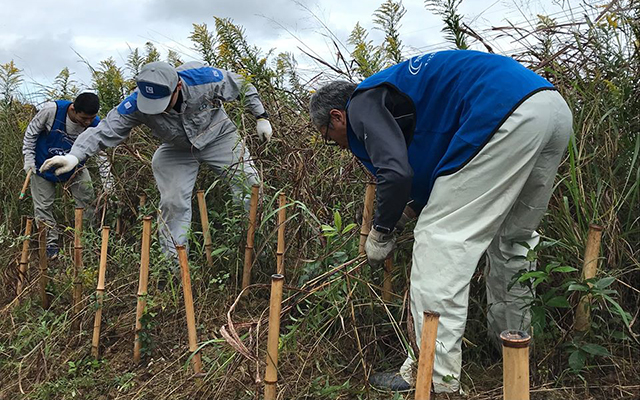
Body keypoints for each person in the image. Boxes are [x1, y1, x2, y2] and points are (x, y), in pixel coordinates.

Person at [309, 50, 572, 393]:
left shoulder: (362, 102)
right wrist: (408, 211)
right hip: (548, 107)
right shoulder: (401, 97)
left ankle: (433, 376)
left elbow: (395, 172)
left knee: (439, 241)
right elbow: (439, 174)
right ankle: (511, 344)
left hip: (500, 111)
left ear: (336, 116)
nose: (340, 145)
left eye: (331, 138)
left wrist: (381, 231)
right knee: (513, 238)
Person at [41, 61, 272, 263]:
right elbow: (105, 129)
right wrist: (75, 155)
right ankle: (175, 266)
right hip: (177, 148)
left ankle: (258, 253)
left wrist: (261, 117)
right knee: (173, 203)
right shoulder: (137, 102)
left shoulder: (203, 78)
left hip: (220, 136)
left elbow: (242, 84)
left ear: (177, 87)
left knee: (250, 187)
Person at [22, 92, 113, 259]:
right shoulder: (52, 111)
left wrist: (107, 180)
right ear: (73, 109)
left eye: (91, 118)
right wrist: (28, 159)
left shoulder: (94, 124)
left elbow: (100, 153)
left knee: (87, 198)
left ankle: (88, 239)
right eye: (84, 118)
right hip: (43, 164)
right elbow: (31, 133)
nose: (87, 122)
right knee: (43, 206)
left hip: (75, 167)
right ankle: (50, 244)